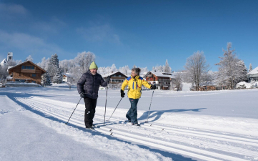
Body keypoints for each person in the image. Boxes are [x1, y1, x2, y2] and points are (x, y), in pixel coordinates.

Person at [77, 62, 110, 129]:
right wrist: (81, 92)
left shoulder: (98, 76)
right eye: (93, 69)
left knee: (93, 110)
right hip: (87, 95)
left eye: (95, 69)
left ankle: (91, 122)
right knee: (88, 109)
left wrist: (107, 81)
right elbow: (79, 84)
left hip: (94, 96)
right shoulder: (85, 75)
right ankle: (87, 124)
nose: (94, 70)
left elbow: (103, 84)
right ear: (90, 69)